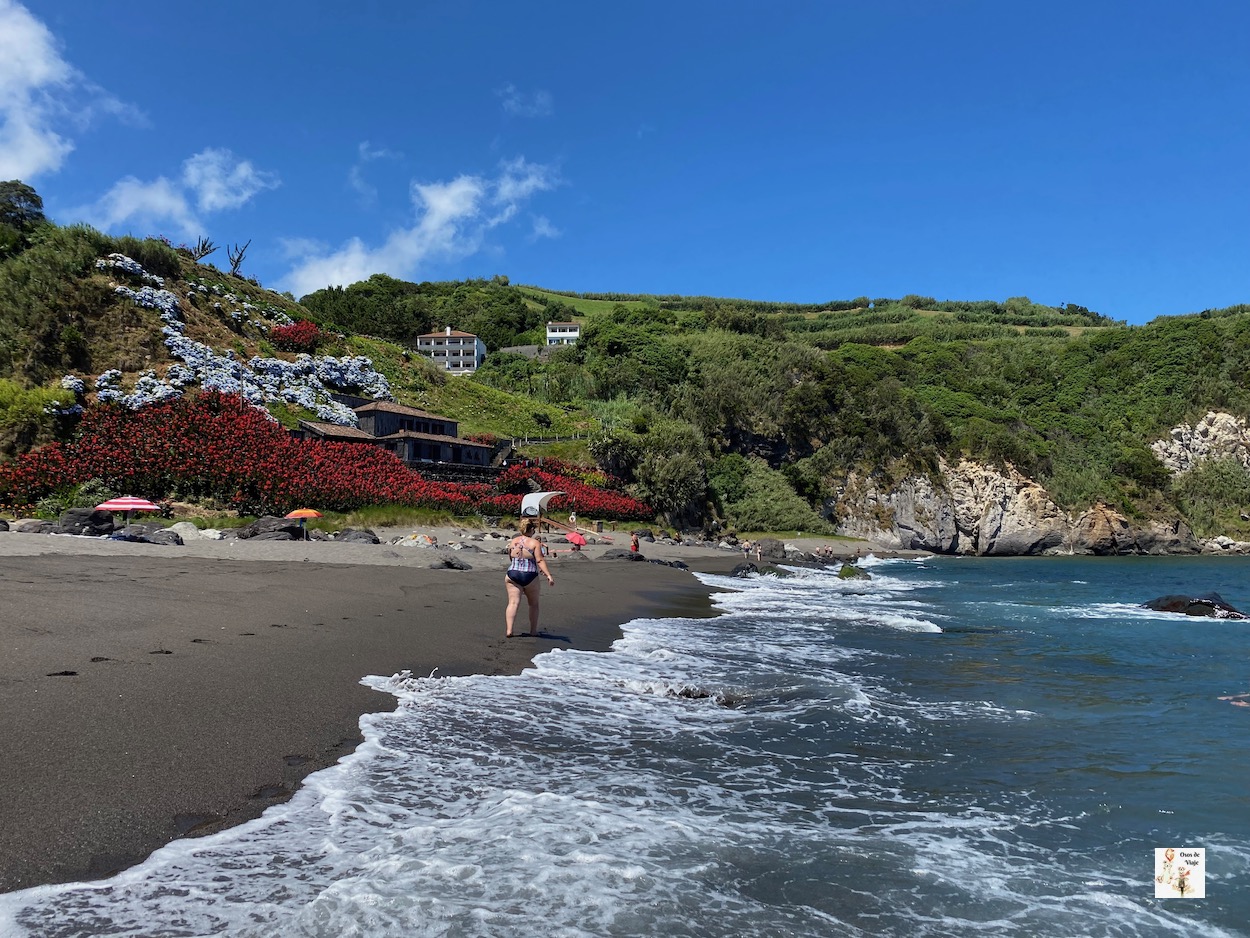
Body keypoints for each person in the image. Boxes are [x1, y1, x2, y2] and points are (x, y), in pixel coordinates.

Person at [505, 519, 555, 638]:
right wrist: (548, 575)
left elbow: (511, 557)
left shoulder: (514, 541)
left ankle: (509, 630)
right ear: (531, 529)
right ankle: (533, 631)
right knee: (533, 604)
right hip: (529, 574)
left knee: (513, 603)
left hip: (513, 573)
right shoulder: (535, 543)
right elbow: (540, 560)